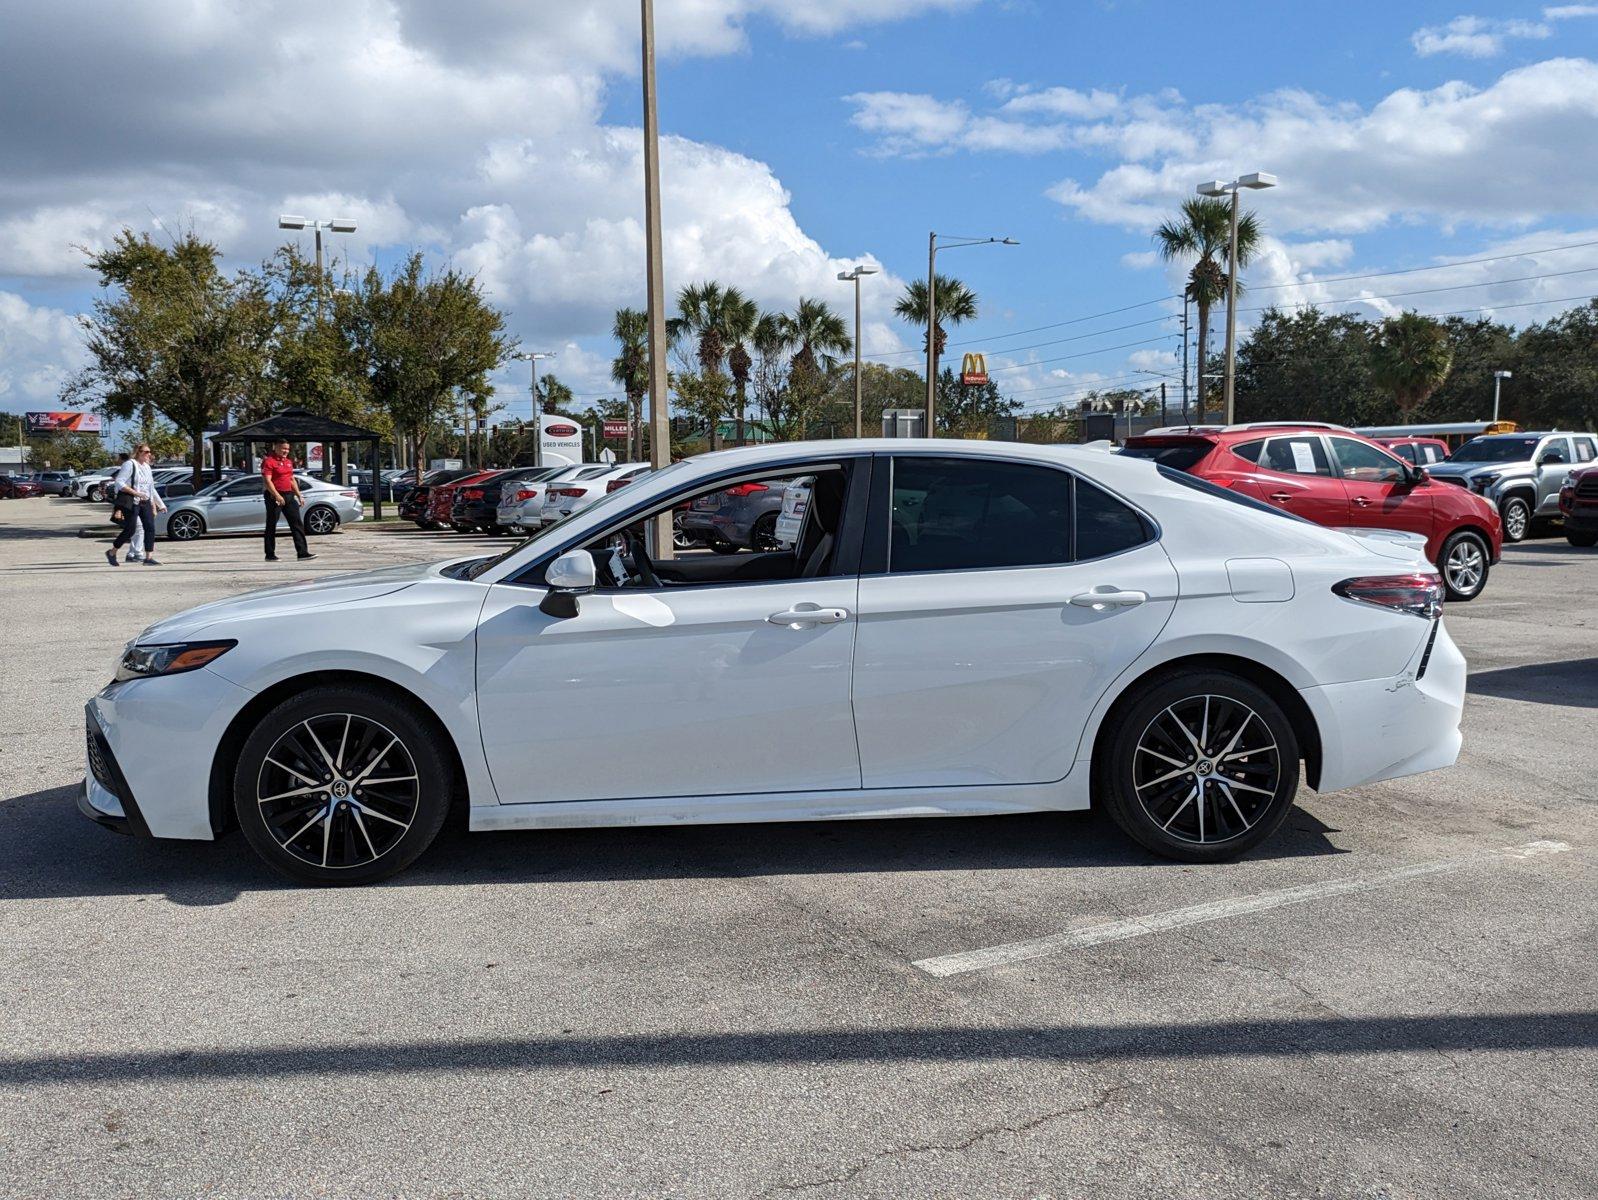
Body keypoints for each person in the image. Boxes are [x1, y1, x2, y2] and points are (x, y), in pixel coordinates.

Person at [106, 445, 165, 567]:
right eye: (146, 452)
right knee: (130, 529)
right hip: (132, 501)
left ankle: (148, 558)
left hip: (145, 502)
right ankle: (112, 552)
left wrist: (160, 504)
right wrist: (135, 493)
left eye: (150, 452)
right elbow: (119, 482)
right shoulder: (130, 464)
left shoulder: (147, 467)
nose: (149, 454)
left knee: (150, 528)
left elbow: (151, 488)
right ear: (138, 453)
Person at [261, 440, 315, 562]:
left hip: (289, 495)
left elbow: (291, 480)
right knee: (271, 524)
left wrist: (299, 495)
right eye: (283, 448)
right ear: (276, 447)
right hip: (274, 496)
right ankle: (270, 554)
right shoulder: (269, 461)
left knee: (297, 524)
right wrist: (276, 495)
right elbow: (267, 481)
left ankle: (302, 553)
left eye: (287, 449)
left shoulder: (288, 462)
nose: (286, 451)